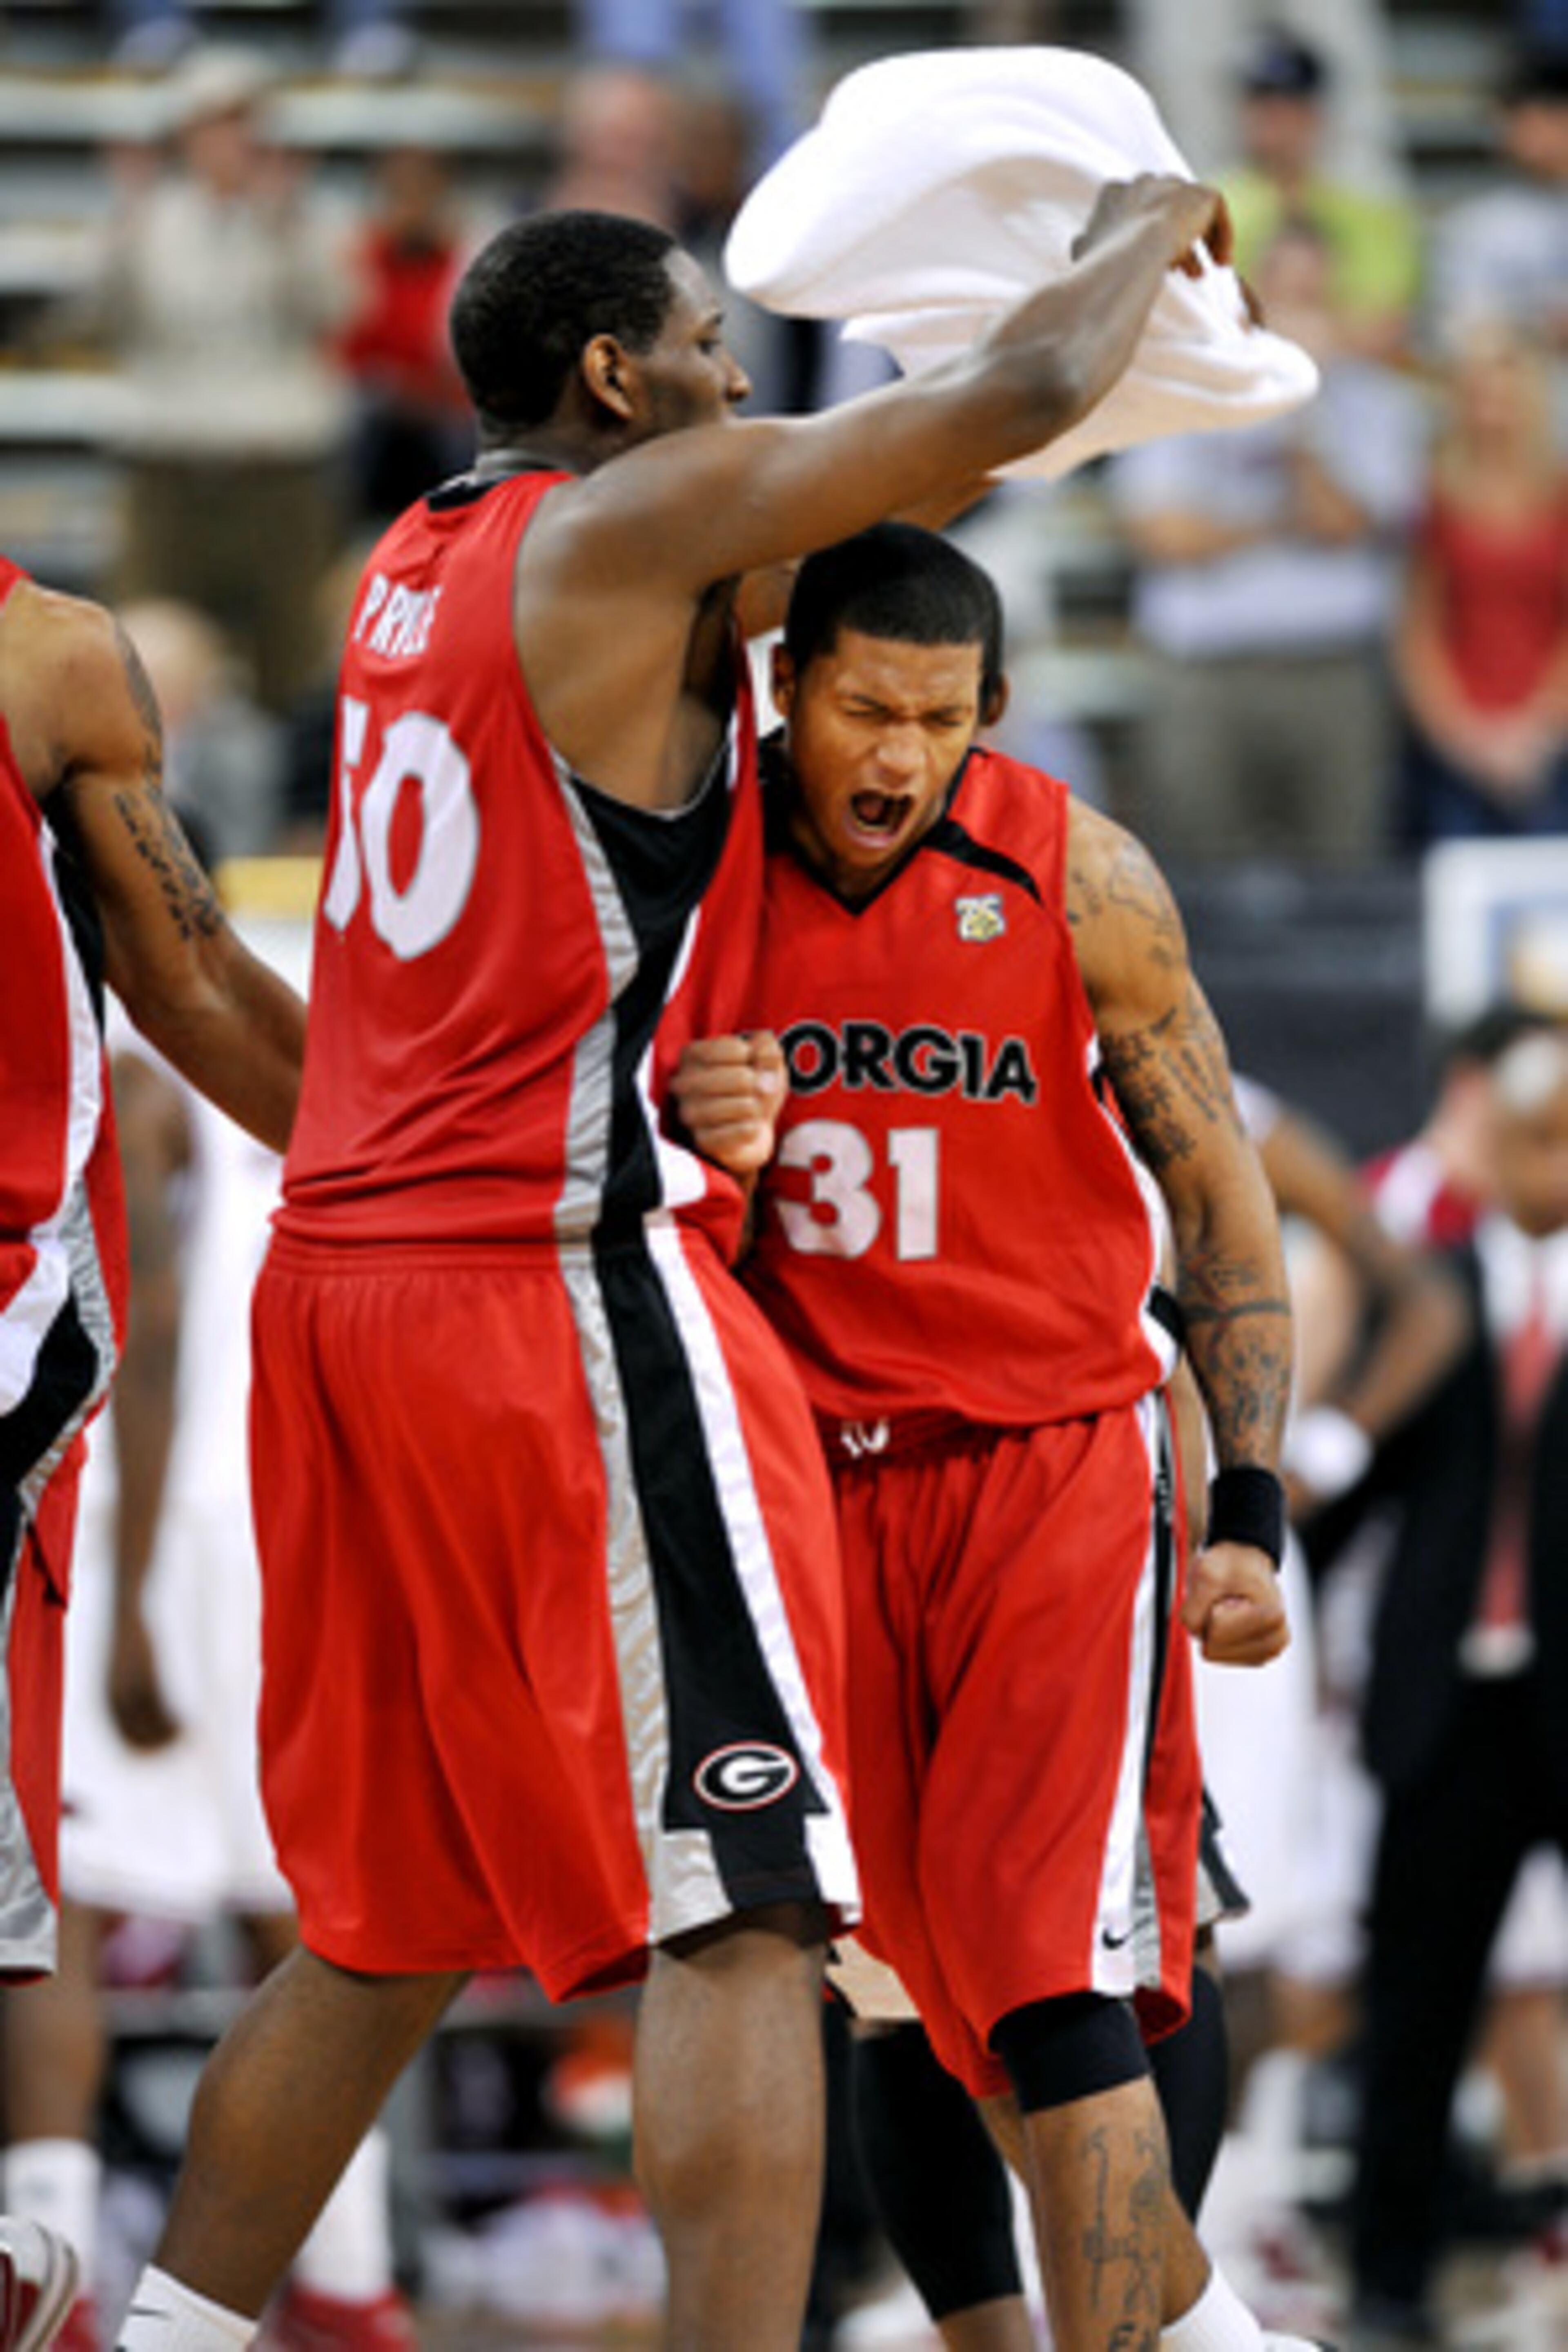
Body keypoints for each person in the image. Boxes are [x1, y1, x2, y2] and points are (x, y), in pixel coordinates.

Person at [110, 184, 1242, 2352]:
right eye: (713, 341)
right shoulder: (633, 527)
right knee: (748, 1916)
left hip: (338, 1280)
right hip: (544, 1290)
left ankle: (156, 2333)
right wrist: (1138, 215)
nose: (741, 375)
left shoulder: (408, 573)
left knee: (383, 1926)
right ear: (616, 375)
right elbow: (1006, 395)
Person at [671, 521, 1311, 2352]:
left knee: (1055, 1983)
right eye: (862, 706)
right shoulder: (689, 871)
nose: (894, 753)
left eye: (937, 719)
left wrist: (1246, 1508)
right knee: (888, 1988)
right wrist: (690, 1123)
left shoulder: (1079, 878)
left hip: (1049, 1477)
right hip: (806, 1488)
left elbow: (1222, 1209)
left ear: (994, 715)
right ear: (787, 691)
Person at [0, 535, 304, 2352]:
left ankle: (89, 2261)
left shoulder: (51, 657)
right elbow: (190, 993)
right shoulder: (48, 658)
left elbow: (186, 990)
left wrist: (409, 1167)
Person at [4, 1004, 410, 2352]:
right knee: (298, 1909)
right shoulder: (297, 1046)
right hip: (274, 1518)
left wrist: (125, 1615)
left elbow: (156, 1317)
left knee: (67, 1909)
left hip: (148, 1526)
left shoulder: (123, 1069)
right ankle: (347, 2284)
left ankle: (49, 2279)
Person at [1323, 1024, 1568, 2347]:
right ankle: (1389, 2278)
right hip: (1445, 1707)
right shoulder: (1437, 1288)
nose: (1552, 1162)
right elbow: (1361, 1485)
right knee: (1415, 2007)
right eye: (1533, 1133)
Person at [1392, 318, 1568, 847]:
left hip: (1549, 736)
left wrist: (1539, 729)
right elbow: (1419, 627)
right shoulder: (1436, 498)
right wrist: (1464, 736)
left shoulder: (1559, 494)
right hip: (1459, 738)